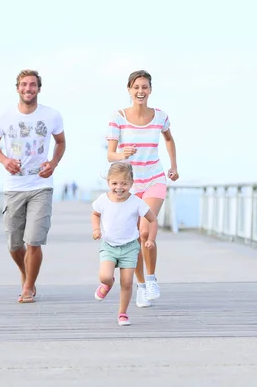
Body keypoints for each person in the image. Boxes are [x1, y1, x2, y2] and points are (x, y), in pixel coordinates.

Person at [0, 69, 66, 303]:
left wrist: (53, 163)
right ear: (17, 88)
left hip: (41, 185)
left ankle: (29, 287)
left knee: (33, 240)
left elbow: (60, 142)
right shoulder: (4, 117)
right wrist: (5, 160)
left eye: (32, 85)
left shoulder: (52, 115)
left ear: (39, 88)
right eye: (24, 85)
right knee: (14, 242)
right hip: (14, 186)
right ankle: (25, 273)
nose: (28, 89)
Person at [105, 70, 179, 308]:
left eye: (145, 87)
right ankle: (141, 286)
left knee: (146, 230)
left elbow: (169, 139)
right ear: (129, 89)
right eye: (136, 87)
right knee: (135, 236)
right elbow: (110, 155)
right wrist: (122, 154)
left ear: (150, 90)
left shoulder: (160, 116)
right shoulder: (118, 117)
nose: (140, 91)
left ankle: (151, 278)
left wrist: (173, 167)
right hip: (130, 183)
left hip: (155, 178)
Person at [91, 162, 158, 326]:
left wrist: (150, 239)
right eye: (114, 183)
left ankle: (123, 313)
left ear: (131, 183)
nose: (119, 187)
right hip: (109, 246)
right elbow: (95, 214)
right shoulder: (103, 200)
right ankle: (107, 284)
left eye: (124, 183)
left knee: (127, 282)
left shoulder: (137, 202)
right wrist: (96, 229)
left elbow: (153, 219)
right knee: (104, 276)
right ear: (108, 183)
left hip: (130, 248)